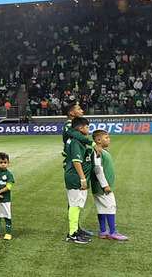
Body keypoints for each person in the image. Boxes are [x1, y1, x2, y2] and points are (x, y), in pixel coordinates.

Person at [61, 99, 95, 238]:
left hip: (72, 160)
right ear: (71, 112)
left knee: (75, 201)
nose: (82, 110)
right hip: (72, 166)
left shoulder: (72, 126)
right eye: (79, 108)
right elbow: (76, 135)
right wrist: (92, 142)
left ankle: (76, 227)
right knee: (74, 200)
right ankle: (73, 230)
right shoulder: (69, 126)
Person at [91, 129, 127, 241]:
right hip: (102, 187)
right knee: (111, 207)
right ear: (98, 140)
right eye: (106, 137)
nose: (109, 139)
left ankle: (103, 231)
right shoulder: (98, 152)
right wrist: (105, 185)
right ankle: (112, 232)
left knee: (101, 208)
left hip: (98, 186)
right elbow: (97, 169)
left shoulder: (102, 151)